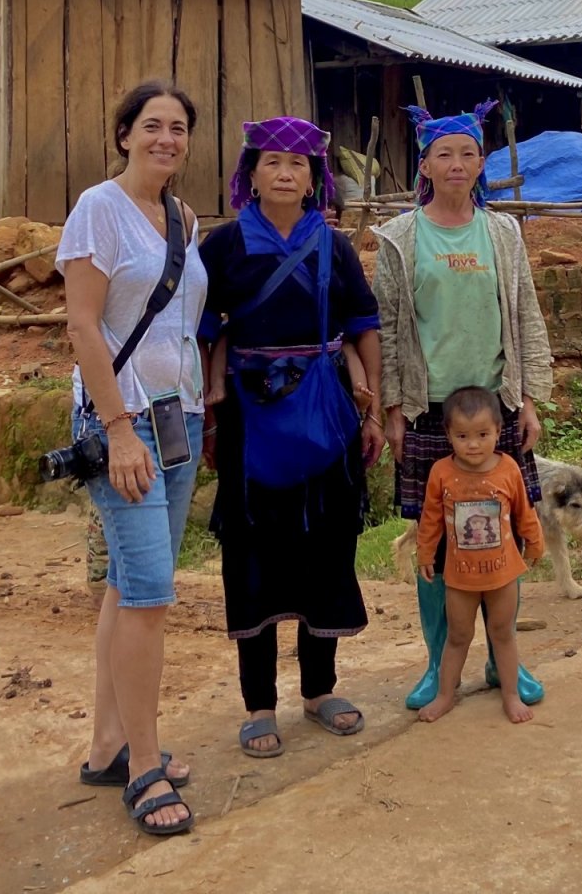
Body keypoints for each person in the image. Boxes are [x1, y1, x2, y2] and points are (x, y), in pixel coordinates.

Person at [197, 117, 384, 759]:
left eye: (299, 165)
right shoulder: (221, 248)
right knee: (253, 555)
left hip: (327, 409)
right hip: (252, 418)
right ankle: (258, 705)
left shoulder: (334, 248)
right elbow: (203, 330)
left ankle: (320, 689)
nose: (285, 173)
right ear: (249, 174)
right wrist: (211, 411)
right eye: (273, 161)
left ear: (315, 179)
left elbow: (364, 325)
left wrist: (375, 407)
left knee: (326, 546)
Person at [58, 81, 209, 838]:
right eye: (152, 126)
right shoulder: (99, 208)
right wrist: (117, 428)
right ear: (124, 135)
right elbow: (82, 326)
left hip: (182, 420)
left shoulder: (183, 218)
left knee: (129, 583)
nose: (167, 139)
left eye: (178, 128)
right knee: (149, 594)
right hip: (126, 427)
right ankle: (144, 767)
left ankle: (108, 743)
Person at [374, 101, 555, 711]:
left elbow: (525, 314)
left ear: (482, 162)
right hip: (430, 415)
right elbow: (391, 329)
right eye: (444, 153)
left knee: (502, 531)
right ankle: (437, 666)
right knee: (437, 537)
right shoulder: (400, 239)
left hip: (493, 411)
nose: (457, 164)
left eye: (469, 153)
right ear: (424, 162)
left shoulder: (502, 233)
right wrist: (393, 410)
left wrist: (529, 399)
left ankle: (504, 662)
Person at [414, 386, 545, 723]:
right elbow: (430, 519)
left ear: (499, 432)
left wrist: (534, 542)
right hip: (460, 578)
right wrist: (426, 554)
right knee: (458, 636)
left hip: (503, 575)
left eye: (483, 434)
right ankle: (445, 694)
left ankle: (511, 695)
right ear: (448, 435)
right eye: (462, 435)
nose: (473, 444)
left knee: (503, 634)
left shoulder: (509, 469)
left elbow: (523, 513)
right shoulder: (441, 472)